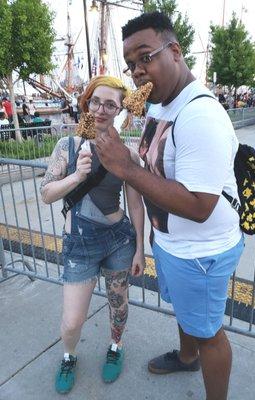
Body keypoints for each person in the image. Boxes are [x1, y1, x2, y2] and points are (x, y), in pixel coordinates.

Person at [95, 12, 244, 400]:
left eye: (146, 57)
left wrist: (125, 166)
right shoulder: (163, 106)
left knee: (210, 331)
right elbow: (154, 165)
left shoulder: (201, 116)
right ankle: (186, 355)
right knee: (183, 308)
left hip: (201, 252)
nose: (138, 72)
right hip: (172, 243)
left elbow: (199, 206)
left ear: (175, 51)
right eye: (131, 65)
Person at [40, 76, 145, 394]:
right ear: (86, 102)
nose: (101, 109)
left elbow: (135, 205)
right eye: (96, 101)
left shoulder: (127, 154)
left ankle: (116, 346)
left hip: (118, 240)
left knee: (119, 304)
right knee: (72, 322)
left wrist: (140, 247)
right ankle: (69, 355)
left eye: (110, 104)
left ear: (119, 110)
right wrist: (77, 175)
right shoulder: (67, 146)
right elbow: (46, 193)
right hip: (79, 245)